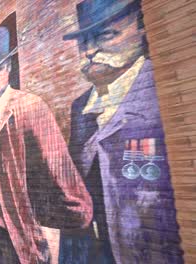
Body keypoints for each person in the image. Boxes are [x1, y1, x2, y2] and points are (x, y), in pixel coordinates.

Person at [59, 0, 184, 263]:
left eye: (106, 35)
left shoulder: (159, 86)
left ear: (141, 29)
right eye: (84, 42)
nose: (90, 51)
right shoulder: (81, 107)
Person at [0, 26, 92, 264]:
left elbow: (59, 171)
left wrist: (32, 216)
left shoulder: (31, 107)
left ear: (8, 69)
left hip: (17, 238)